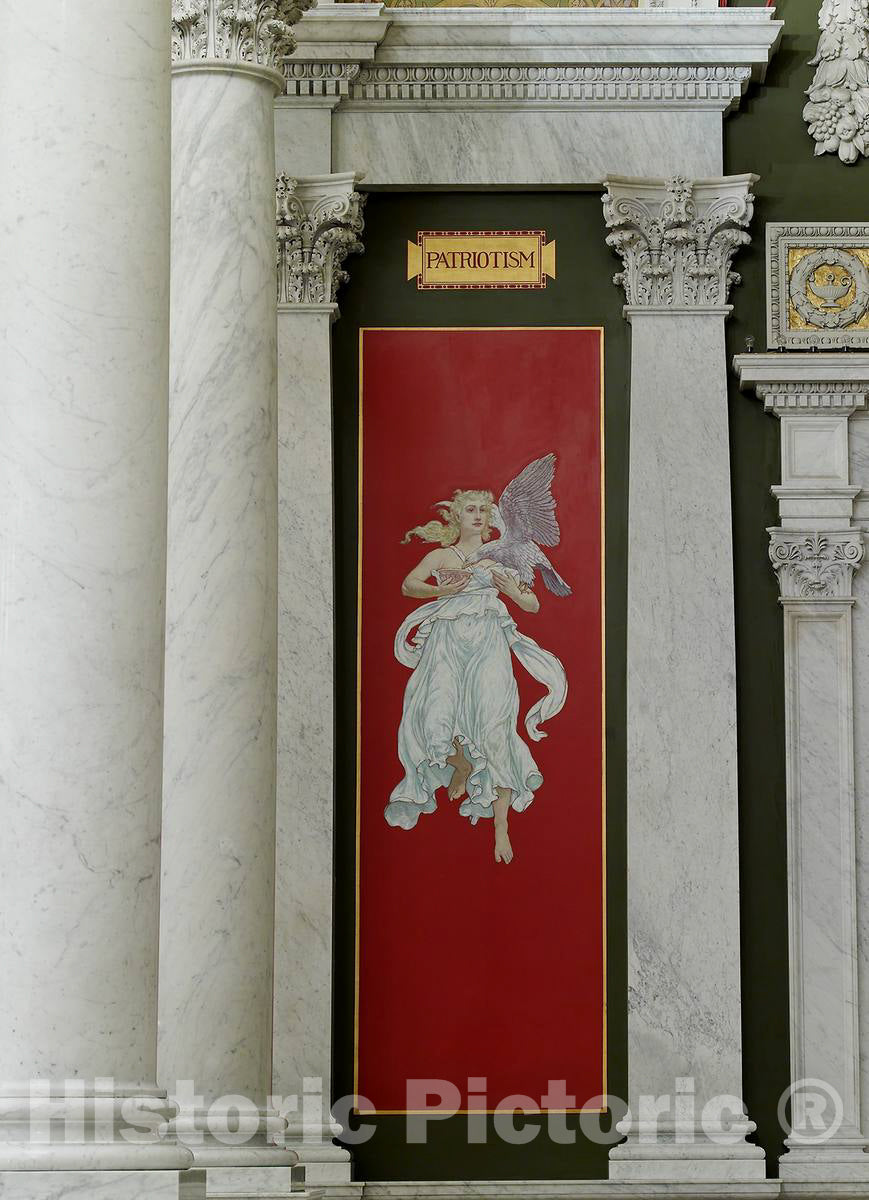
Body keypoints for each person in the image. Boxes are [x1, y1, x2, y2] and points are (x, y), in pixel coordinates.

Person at [385, 488, 567, 864]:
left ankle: (500, 826)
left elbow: (531, 604)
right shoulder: (439, 555)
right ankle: (460, 764)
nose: (479, 516)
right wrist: (440, 588)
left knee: (495, 726)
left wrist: (511, 592)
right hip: (447, 641)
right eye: (471, 510)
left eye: (484, 510)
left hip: (488, 642)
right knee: (433, 712)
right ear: (456, 517)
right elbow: (408, 585)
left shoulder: (501, 555)